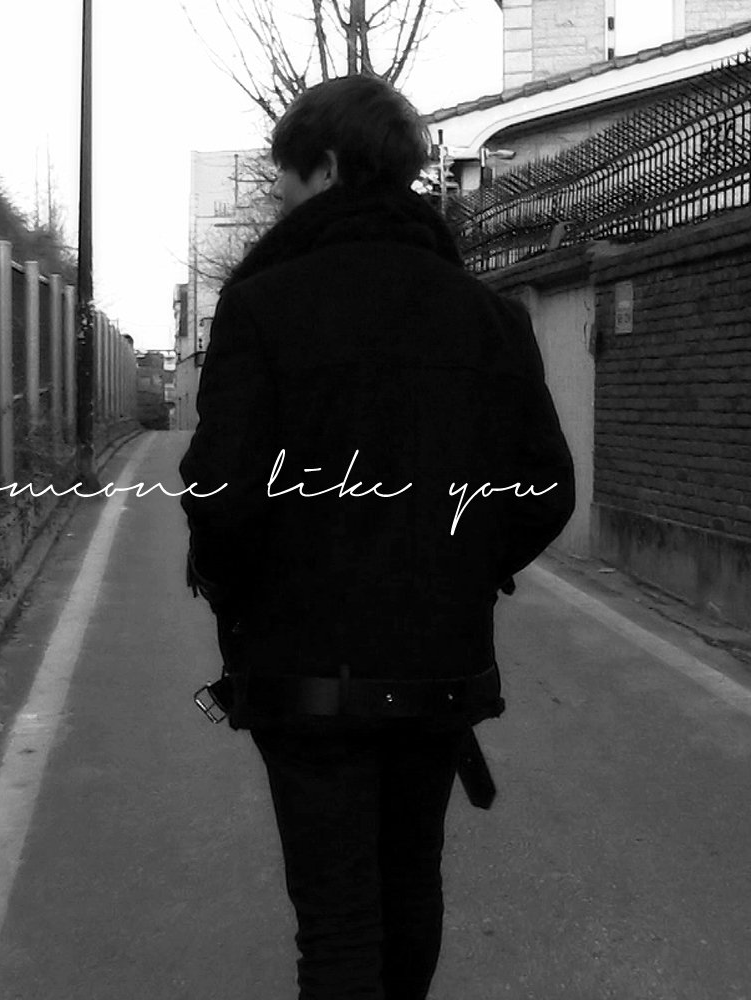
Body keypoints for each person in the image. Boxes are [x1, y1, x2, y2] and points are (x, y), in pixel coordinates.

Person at [178, 74, 575, 1000]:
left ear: (325, 167)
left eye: (284, 179)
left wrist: (243, 597)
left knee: (339, 921)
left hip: (302, 671)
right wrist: (461, 563)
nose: (280, 199)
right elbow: (545, 490)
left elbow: (221, 495)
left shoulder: (264, 306)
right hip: (437, 667)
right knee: (409, 888)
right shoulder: (490, 317)